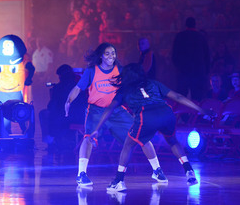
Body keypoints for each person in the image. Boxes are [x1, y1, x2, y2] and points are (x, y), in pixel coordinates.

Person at [90, 63, 213, 191]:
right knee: (172, 141)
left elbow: (110, 108)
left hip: (146, 116)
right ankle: (189, 171)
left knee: (128, 144)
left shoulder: (125, 89)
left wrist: (96, 129)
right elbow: (178, 96)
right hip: (166, 113)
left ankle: (118, 181)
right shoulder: (153, 83)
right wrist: (200, 109)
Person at [65, 43, 165, 187]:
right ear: (101, 56)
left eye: (113, 53)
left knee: (141, 135)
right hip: (96, 111)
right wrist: (68, 101)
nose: (111, 56)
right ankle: (81, 174)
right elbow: (77, 88)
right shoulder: (91, 71)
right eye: (107, 53)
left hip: (116, 111)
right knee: (88, 138)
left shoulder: (121, 71)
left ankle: (157, 170)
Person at [44, 64, 87, 153]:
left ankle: (50, 140)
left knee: (45, 114)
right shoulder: (80, 86)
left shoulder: (59, 87)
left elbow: (52, 105)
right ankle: (55, 139)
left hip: (64, 119)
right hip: (81, 118)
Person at [172, 17, 210, 101]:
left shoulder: (180, 36)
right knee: (197, 98)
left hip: (183, 72)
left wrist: (179, 68)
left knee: (181, 97)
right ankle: (197, 114)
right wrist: (206, 71)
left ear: (185, 25)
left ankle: (182, 114)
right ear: (195, 25)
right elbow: (207, 56)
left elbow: (174, 55)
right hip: (198, 72)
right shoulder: (201, 37)